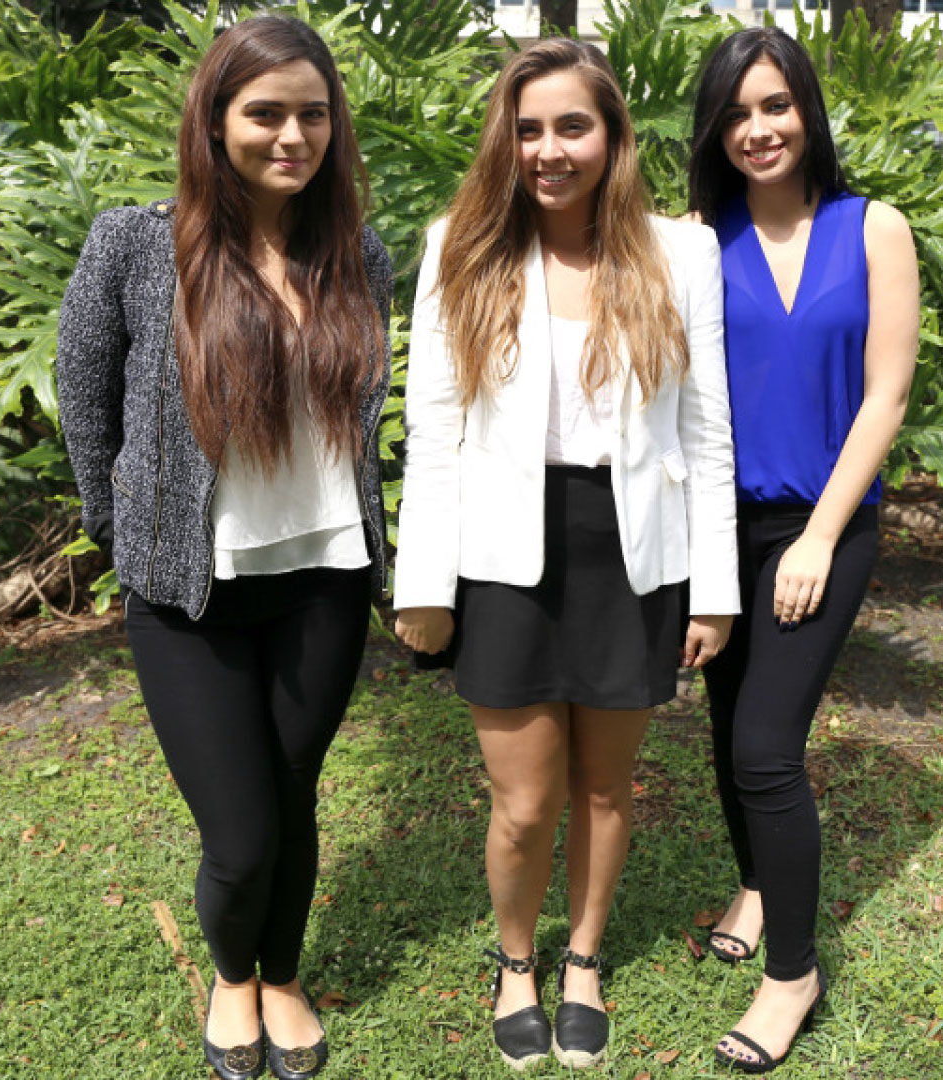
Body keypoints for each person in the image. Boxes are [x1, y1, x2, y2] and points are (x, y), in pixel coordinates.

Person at [392, 37, 739, 1072]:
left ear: (614, 136)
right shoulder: (461, 243)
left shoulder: (681, 254)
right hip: (503, 555)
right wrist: (424, 584)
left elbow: (707, 431)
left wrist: (712, 590)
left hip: (633, 553)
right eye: (529, 127)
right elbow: (434, 429)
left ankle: (582, 956)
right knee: (524, 799)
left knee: (604, 789)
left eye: (572, 126)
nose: (550, 148)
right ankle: (514, 963)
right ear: (507, 137)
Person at [55, 16, 393, 1080]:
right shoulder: (135, 243)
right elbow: (83, 393)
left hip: (326, 579)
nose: (293, 134)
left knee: (293, 793)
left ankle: (279, 976)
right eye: (266, 112)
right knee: (241, 832)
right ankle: (230, 972)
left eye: (313, 113)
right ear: (215, 118)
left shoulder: (357, 253)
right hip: (190, 592)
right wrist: (121, 525)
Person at [685, 26, 921, 1075]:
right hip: (717, 525)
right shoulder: (699, 234)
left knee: (766, 746)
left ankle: (792, 975)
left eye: (774, 105)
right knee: (729, 717)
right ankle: (754, 882)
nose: (758, 129)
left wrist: (821, 535)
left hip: (821, 526)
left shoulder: (875, 230)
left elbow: (888, 394)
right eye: (736, 113)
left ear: (807, 110)